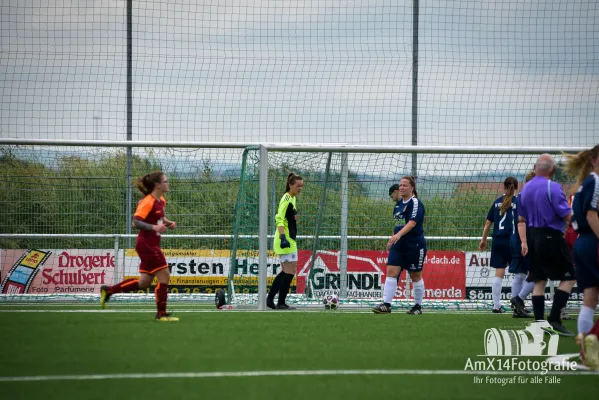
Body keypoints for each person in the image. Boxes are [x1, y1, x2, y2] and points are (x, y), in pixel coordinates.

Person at [100, 171, 178, 321]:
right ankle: (161, 314)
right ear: (157, 185)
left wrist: (168, 223)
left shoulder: (160, 200)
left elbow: (158, 216)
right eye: (166, 181)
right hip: (146, 244)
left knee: (144, 283)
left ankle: (108, 291)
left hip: (152, 243)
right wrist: (154, 228)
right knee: (165, 275)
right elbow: (136, 222)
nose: (168, 183)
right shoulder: (147, 201)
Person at [514, 154, 576, 336]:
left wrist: (524, 241)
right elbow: (566, 215)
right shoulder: (553, 187)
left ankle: (540, 324)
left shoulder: (525, 190)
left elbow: (521, 219)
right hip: (551, 236)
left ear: (534, 167)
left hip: (533, 236)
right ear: (553, 170)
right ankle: (555, 318)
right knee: (570, 277)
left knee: (539, 280)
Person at [565, 144, 599, 369]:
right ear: (595, 160)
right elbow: (591, 214)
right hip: (593, 241)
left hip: (582, 242)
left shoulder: (582, 184)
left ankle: (585, 354)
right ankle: (590, 346)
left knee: (589, 299)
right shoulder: (595, 181)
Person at [373, 176, 426, 315]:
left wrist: (398, 235)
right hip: (398, 244)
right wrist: (393, 237)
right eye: (400, 185)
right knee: (391, 271)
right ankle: (387, 305)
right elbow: (398, 224)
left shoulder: (415, 202)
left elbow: (412, 222)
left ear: (412, 188)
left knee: (415, 275)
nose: (401, 187)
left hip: (414, 244)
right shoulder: (398, 204)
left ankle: (417, 307)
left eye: (404, 185)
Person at [479, 177, 518, 313]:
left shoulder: (496, 202)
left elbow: (488, 223)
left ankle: (496, 306)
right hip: (513, 240)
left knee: (499, 273)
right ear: (516, 188)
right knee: (518, 274)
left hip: (497, 241)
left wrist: (483, 239)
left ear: (503, 187)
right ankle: (516, 306)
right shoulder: (518, 202)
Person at [267, 173, 304, 310]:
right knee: (289, 271)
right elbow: (279, 218)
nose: (300, 188)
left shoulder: (292, 198)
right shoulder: (287, 198)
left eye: (301, 186)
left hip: (289, 239)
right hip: (286, 240)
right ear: (290, 185)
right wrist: (283, 237)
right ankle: (280, 302)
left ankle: (271, 299)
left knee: (287, 271)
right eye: (298, 186)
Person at [509, 171, 535, 318]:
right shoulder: (528, 198)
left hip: (516, 238)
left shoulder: (520, 197)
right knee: (537, 273)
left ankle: (517, 307)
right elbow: (523, 221)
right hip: (523, 239)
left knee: (520, 274)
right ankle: (519, 301)